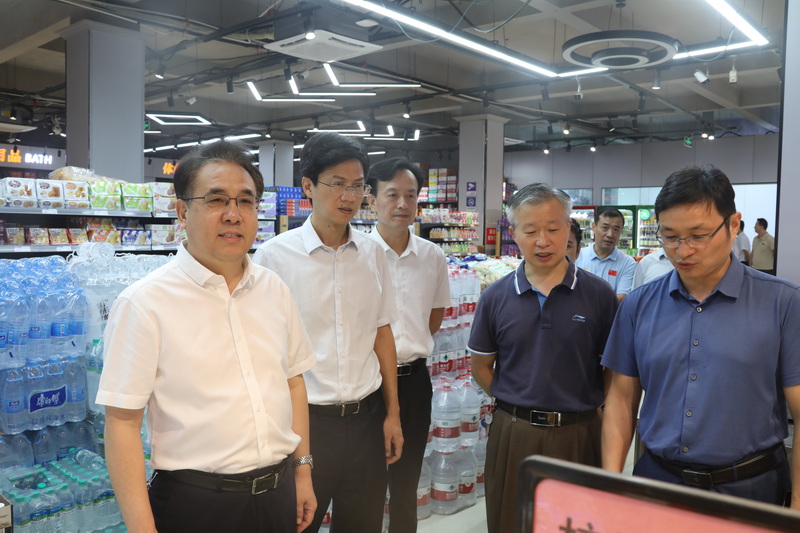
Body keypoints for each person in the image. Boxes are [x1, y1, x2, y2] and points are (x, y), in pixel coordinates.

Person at [98, 141, 317, 532]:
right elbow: (122, 425)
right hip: (196, 505)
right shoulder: (144, 303)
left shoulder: (274, 289)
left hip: (278, 493)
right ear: (183, 211)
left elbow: (293, 381)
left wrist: (302, 472)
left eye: (246, 201)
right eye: (216, 200)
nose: (233, 214)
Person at [602, 165, 800, 508]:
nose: (683, 250)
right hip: (657, 485)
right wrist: (609, 487)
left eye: (698, 235)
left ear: (733, 224)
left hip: (750, 492)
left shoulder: (783, 303)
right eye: (670, 236)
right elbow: (621, 400)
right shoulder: (638, 305)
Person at [252, 132, 403, 533]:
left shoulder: (373, 253)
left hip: (367, 419)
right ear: (308, 186)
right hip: (306, 426)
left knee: (364, 524)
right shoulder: (273, 257)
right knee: (298, 523)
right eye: (337, 184)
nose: (349, 196)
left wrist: (393, 414)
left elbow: (382, 333)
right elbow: (262, 352)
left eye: (358, 186)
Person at [468, 184, 618, 533]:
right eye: (530, 231)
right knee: (511, 522)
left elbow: (611, 370)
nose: (543, 241)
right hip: (514, 432)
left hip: (580, 432)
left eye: (553, 229)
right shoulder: (495, 297)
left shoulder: (599, 295)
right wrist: (518, 400)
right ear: (513, 234)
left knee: (577, 523)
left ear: (569, 228)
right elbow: (481, 367)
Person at [366, 157, 450, 533]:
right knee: (365, 485)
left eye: (411, 195)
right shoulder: (357, 255)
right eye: (392, 194)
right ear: (372, 200)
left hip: (414, 382)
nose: (403, 204)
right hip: (367, 383)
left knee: (406, 482)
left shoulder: (432, 256)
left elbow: (435, 316)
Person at [575, 207, 636, 301]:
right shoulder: (578, 256)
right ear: (594, 227)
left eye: (616, 229)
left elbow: (621, 298)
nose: (610, 234)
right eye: (605, 228)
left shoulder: (628, 263)